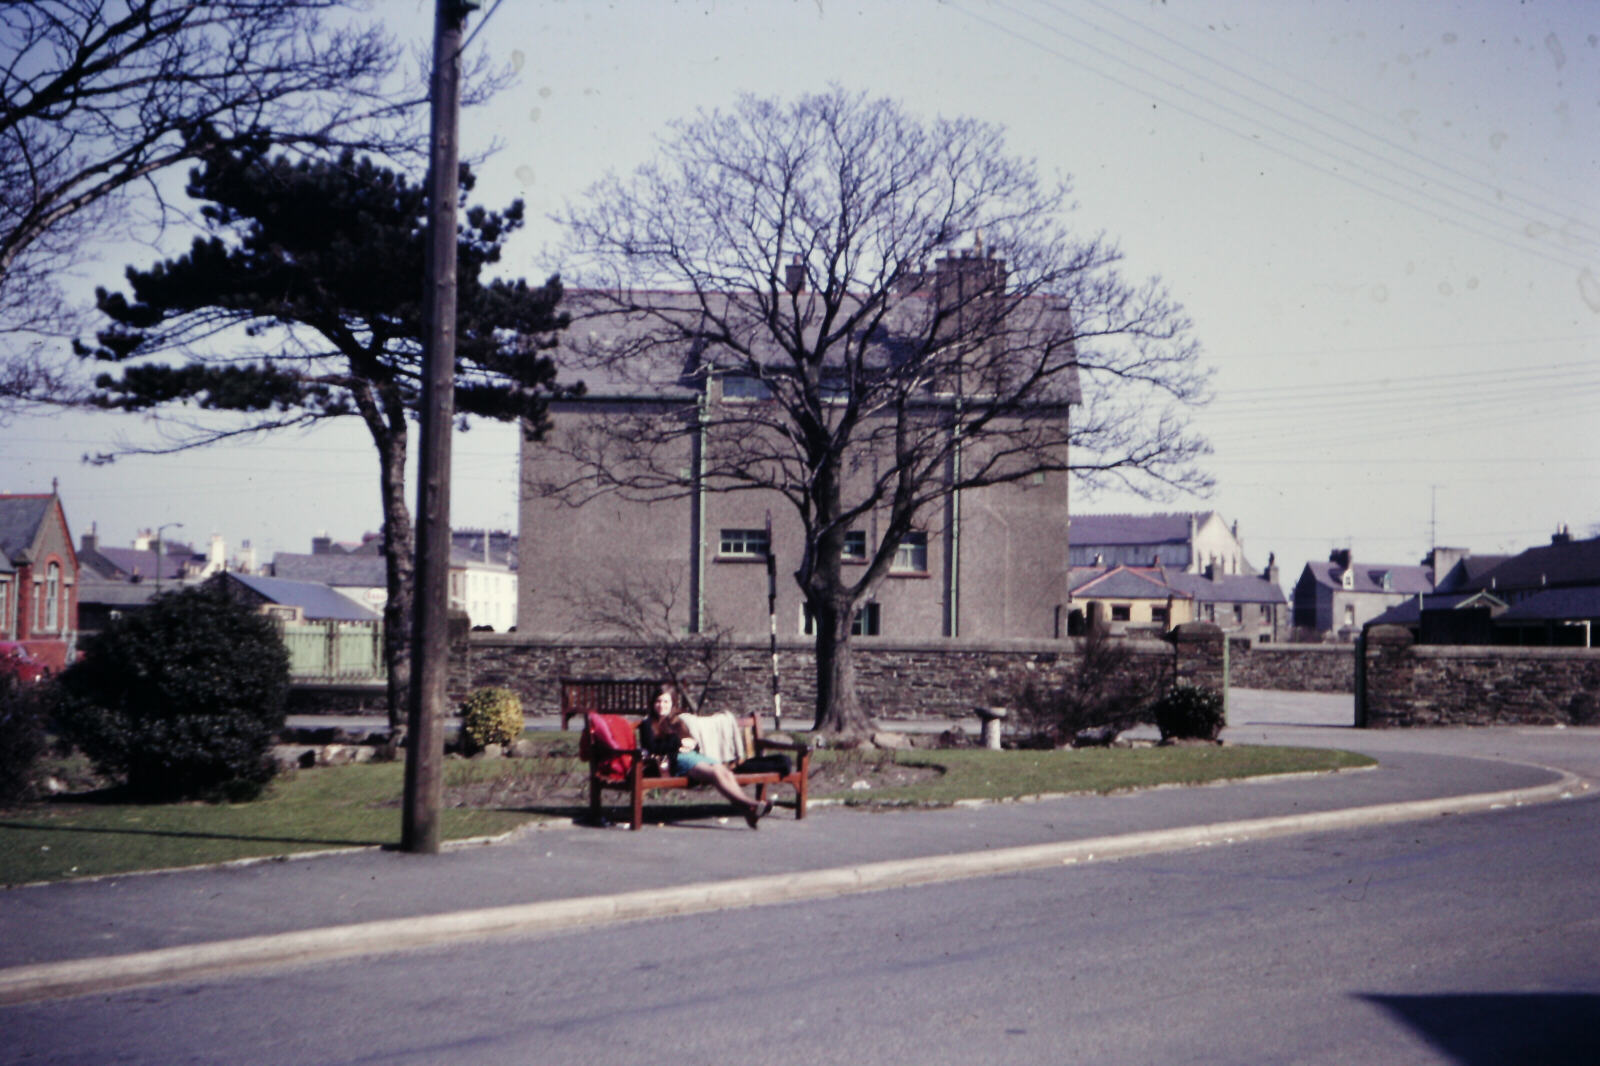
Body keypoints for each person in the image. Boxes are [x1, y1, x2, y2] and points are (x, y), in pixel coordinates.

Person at [640, 685, 773, 829]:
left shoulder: (677, 722)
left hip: (692, 755)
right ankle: (750, 804)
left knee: (725, 772)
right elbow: (653, 748)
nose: (661, 705)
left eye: (666, 702)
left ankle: (748, 810)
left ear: (672, 703)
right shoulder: (647, 724)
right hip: (676, 761)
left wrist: (692, 744)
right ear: (653, 703)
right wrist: (678, 743)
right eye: (658, 701)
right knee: (715, 773)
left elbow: (693, 744)